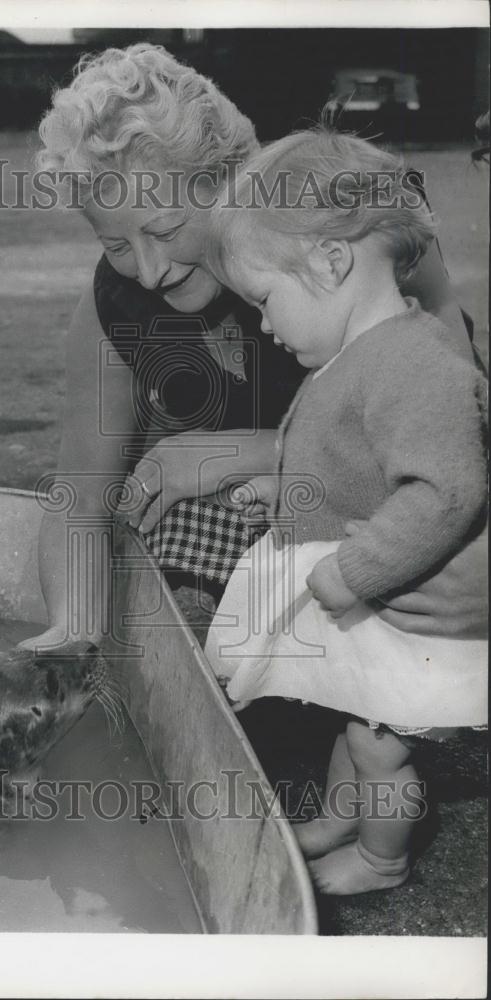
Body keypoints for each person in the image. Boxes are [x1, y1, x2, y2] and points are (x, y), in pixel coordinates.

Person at [22, 42, 486, 656]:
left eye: (165, 229)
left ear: (232, 180)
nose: (151, 270)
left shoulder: (355, 234)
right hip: (267, 523)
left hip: (388, 506)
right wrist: (70, 638)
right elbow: (82, 493)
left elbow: (464, 436)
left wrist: (252, 450)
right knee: (155, 548)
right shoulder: (114, 307)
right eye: (116, 245)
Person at [202, 128, 488, 895]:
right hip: (369, 600)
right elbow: (352, 471)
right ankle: (339, 818)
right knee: (348, 715)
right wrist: (288, 495)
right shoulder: (365, 354)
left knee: (379, 743)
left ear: (330, 263)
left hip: (394, 604)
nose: (263, 325)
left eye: (264, 300)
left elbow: (443, 492)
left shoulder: (413, 362)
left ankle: (382, 857)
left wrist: (356, 570)